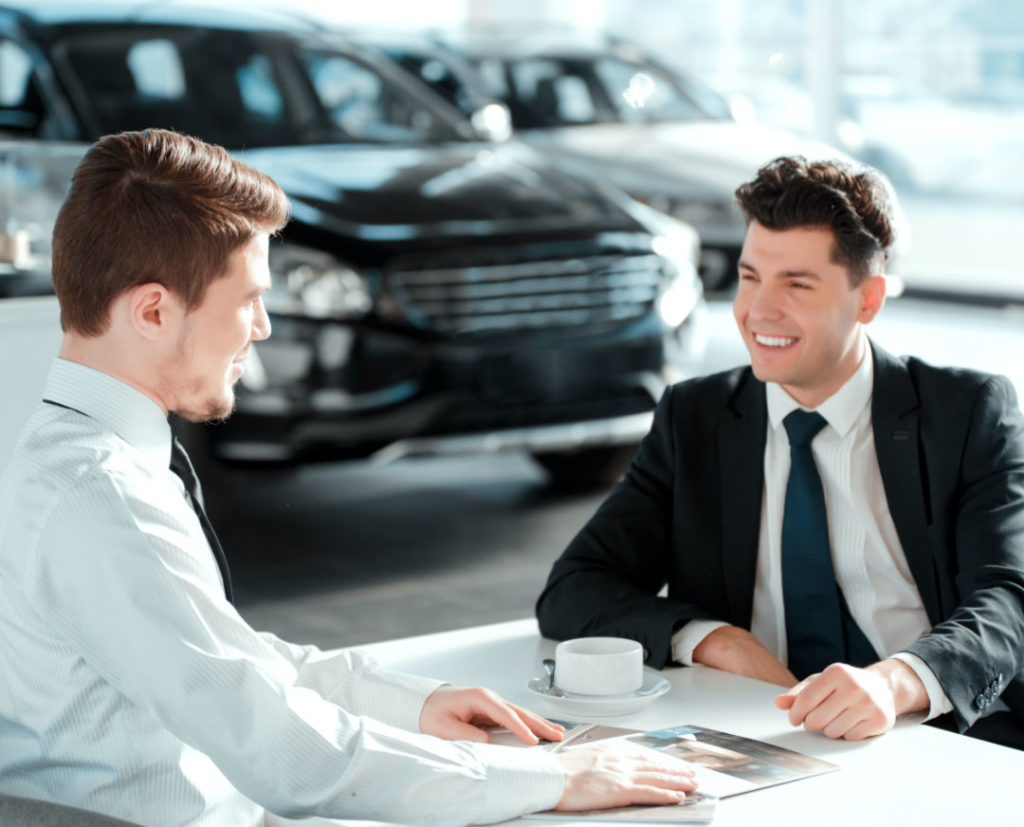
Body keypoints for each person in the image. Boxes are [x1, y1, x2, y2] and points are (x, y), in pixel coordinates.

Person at [0, 129, 698, 826]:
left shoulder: (93, 459)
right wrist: (548, 778)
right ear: (153, 311)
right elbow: (287, 755)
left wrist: (411, 703)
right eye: (247, 300)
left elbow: (227, 659)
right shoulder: (101, 496)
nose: (264, 327)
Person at [536, 155, 1024, 748]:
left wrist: (897, 682)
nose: (760, 311)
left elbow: (1007, 600)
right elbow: (574, 587)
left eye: (796, 283)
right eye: (749, 277)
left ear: (867, 300)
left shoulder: (966, 413)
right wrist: (715, 639)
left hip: (935, 731)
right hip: (765, 730)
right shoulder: (696, 418)